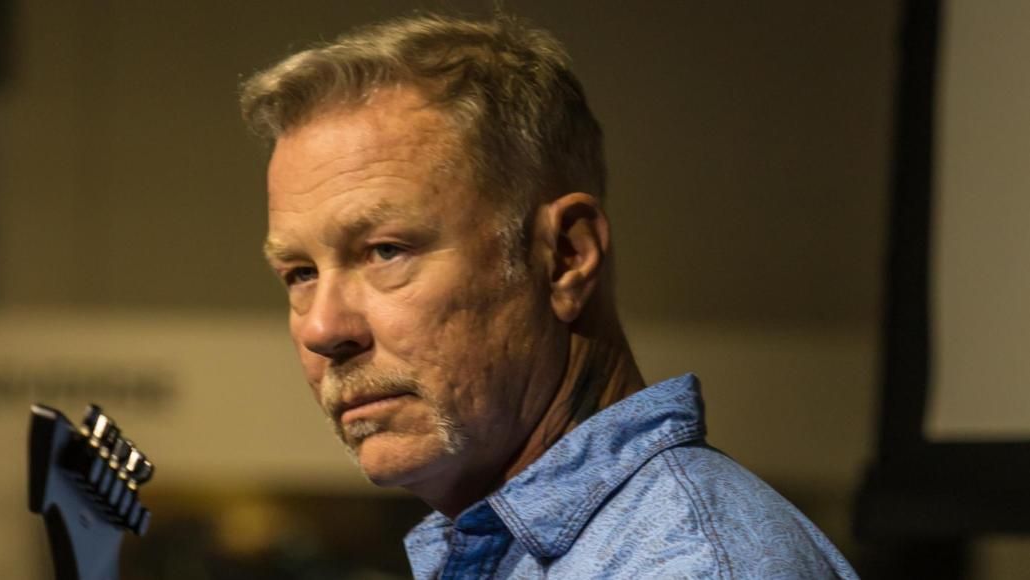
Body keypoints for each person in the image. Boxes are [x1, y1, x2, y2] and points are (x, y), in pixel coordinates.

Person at [240, 13, 858, 579]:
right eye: (300, 273)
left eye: (385, 251)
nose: (323, 329)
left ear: (565, 258)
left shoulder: (689, 565)